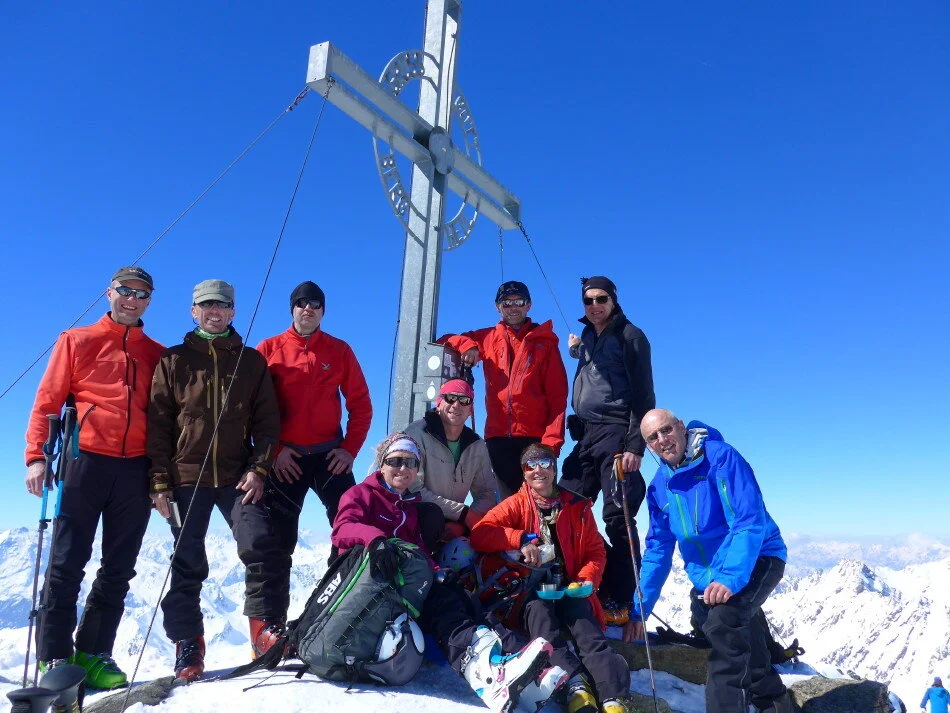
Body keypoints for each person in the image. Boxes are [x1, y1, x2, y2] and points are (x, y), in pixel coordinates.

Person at [331, 432, 557, 713]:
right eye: (396, 461)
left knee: (464, 599)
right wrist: (375, 540)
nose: (403, 468)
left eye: (410, 463)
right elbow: (342, 529)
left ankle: (516, 659)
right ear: (382, 464)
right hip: (373, 587)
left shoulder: (409, 508)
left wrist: (437, 570)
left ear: (417, 471)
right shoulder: (361, 494)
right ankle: (484, 672)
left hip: (406, 582)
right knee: (444, 609)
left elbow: (418, 548)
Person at [24, 266, 164, 689]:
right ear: (109, 293)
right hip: (83, 463)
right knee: (66, 565)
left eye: (141, 293)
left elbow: (164, 418)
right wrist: (35, 457)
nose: (132, 299)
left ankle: (94, 652)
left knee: (119, 569)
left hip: (135, 469)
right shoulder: (76, 340)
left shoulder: (156, 354)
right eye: (125, 290)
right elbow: (48, 399)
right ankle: (54, 658)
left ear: (149, 300)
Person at [148, 279, 284, 680]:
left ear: (233, 312)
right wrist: (159, 481)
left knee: (259, 541)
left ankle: (262, 629)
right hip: (185, 475)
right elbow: (157, 425)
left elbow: (268, 424)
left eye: (222, 305)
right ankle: (188, 644)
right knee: (187, 558)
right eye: (206, 304)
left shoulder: (251, 361)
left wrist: (259, 468)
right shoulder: (173, 361)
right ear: (193, 311)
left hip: (236, 475)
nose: (214, 311)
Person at [624, 409, 791, 713]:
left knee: (725, 623)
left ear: (681, 428)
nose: (662, 440)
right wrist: (640, 610)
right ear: (648, 446)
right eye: (653, 437)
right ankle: (775, 703)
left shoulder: (721, 458)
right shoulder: (660, 487)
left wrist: (728, 578)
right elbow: (658, 550)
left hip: (759, 556)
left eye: (666, 430)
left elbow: (747, 521)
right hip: (712, 577)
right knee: (730, 627)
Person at [471, 443, 634, 713]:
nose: (538, 470)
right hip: (533, 591)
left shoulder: (578, 506)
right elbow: (480, 533)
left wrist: (586, 578)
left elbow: (595, 551)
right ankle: (575, 685)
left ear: (554, 468)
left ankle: (613, 697)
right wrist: (519, 539)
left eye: (545, 463)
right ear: (523, 473)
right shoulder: (516, 504)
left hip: (572, 587)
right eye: (530, 465)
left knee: (586, 630)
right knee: (544, 630)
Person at [256, 280, 372, 625]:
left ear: (323, 311)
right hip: (285, 460)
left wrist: (349, 449)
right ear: (292, 308)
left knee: (352, 534)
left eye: (316, 304)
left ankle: (335, 619)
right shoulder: (269, 348)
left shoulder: (339, 350)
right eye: (302, 303)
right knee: (277, 543)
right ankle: (271, 627)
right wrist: (275, 450)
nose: (309, 309)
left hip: (329, 457)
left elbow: (361, 405)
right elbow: (250, 409)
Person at [560, 275, 655, 624]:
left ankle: (622, 599)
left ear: (614, 300)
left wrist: (635, 445)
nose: (595, 306)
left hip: (617, 435)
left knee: (618, 516)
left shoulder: (631, 336)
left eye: (601, 299)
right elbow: (593, 363)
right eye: (588, 301)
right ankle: (579, 583)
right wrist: (577, 350)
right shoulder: (589, 336)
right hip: (585, 436)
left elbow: (643, 393)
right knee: (565, 505)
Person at [438, 280, 568, 497]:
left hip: (535, 439)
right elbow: (445, 340)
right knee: (507, 503)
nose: (513, 307)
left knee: (540, 502)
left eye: (518, 301)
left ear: (529, 305)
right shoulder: (487, 338)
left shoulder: (544, 344)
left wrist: (550, 445)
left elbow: (558, 397)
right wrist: (467, 345)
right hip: (498, 439)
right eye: (506, 303)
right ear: (497, 307)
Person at [405, 379, 498, 541]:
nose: (456, 405)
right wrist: (462, 514)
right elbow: (412, 489)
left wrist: (462, 524)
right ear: (439, 402)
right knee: (431, 516)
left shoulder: (476, 445)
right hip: (417, 519)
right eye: (450, 398)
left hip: (456, 523)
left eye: (464, 401)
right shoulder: (416, 433)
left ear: (471, 410)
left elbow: (487, 493)